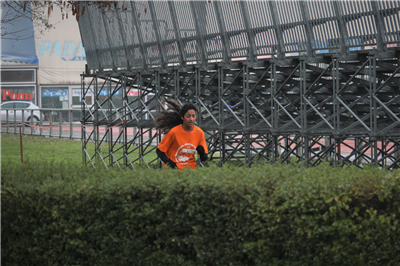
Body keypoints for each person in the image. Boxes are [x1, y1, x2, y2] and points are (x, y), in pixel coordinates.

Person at [154, 99, 208, 170]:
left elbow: (204, 158)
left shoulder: (199, 132)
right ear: (182, 117)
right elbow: (159, 151)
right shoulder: (174, 132)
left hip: (190, 171)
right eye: (188, 116)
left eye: (193, 116)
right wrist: (169, 162)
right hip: (174, 172)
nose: (191, 119)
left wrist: (201, 153)